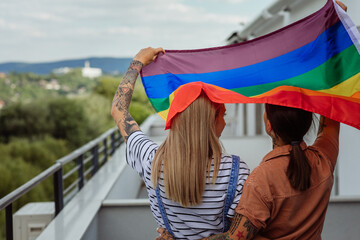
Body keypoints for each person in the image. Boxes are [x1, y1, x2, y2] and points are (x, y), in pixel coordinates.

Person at [111, 47, 250, 239]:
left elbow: (119, 111)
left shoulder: (151, 159)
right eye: (223, 115)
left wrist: (137, 62)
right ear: (211, 121)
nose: (225, 121)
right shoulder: (237, 171)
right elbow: (239, 234)